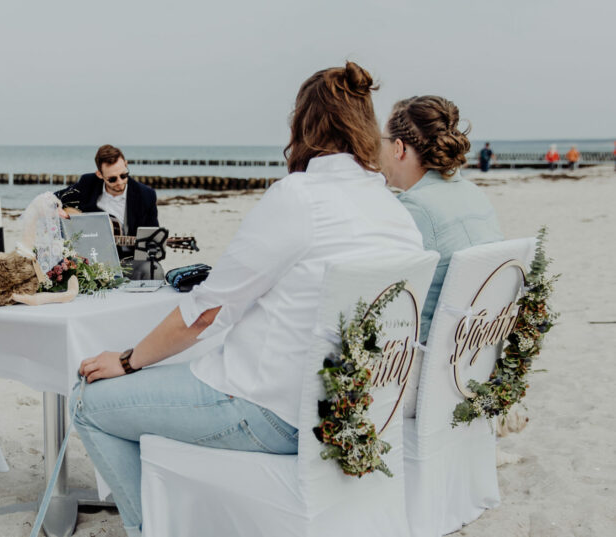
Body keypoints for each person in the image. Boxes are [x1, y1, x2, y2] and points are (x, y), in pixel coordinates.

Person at [69, 62, 423, 537]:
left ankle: (149, 526)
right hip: (352, 411)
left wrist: (128, 360)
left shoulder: (301, 198)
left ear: (303, 127)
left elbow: (208, 311)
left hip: (270, 410)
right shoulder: (396, 214)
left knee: (88, 401)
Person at [380, 95, 504, 342]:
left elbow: (384, 293)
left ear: (398, 148)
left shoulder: (414, 208)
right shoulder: (475, 194)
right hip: (469, 345)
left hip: (423, 349)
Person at [54, 144, 158, 239]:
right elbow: (55, 197)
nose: (120, 182)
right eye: (112, 179)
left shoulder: (146, 195)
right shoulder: (88, 183)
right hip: (90, 253)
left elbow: (154, 238)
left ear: (126, 165)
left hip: (128, 255)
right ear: (99, 174)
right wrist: (57, 208)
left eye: (123, 175)